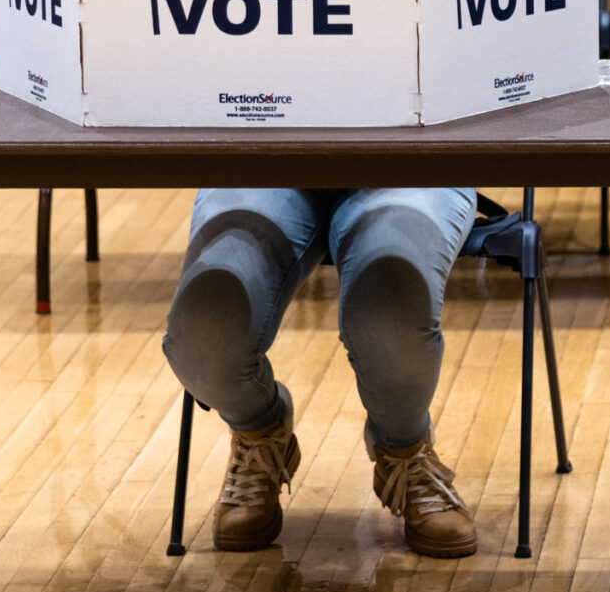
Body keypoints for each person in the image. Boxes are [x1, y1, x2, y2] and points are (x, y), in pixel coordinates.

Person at [162, 186, 479, 557]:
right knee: (203, 329)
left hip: (405, 169)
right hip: (262, 166)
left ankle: (406, 451)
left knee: (390, 309)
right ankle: (259, 435)